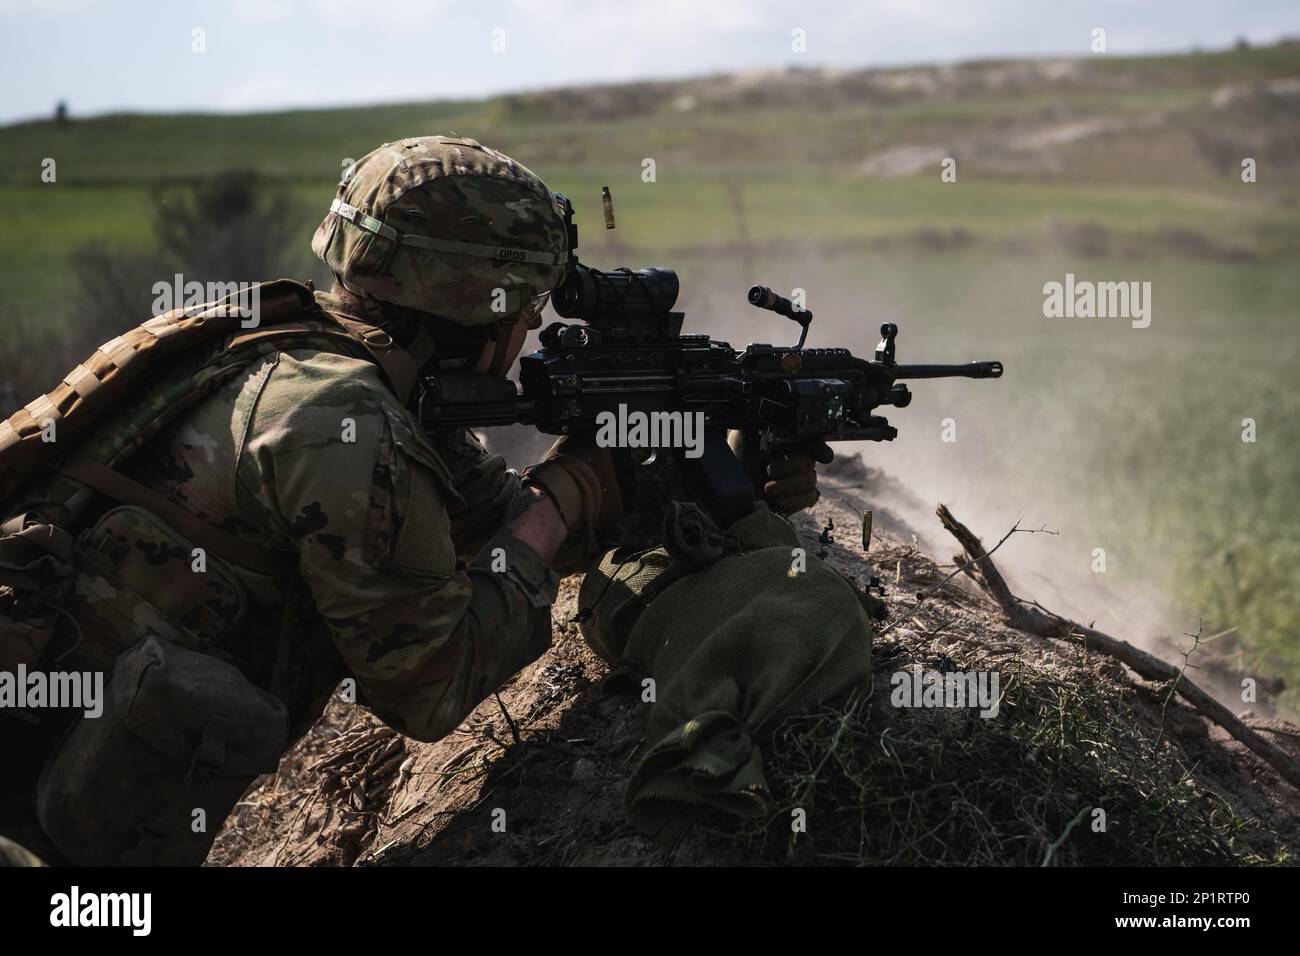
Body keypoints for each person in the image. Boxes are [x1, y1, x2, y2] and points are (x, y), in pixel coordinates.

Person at [0, 135, 825, 864]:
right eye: (527, 311)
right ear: (474, 305)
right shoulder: (340, 426)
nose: (530, 335)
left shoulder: (288, 351)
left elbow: (495, 525)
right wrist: (568, 491)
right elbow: (433, 684)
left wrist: (694, 473)